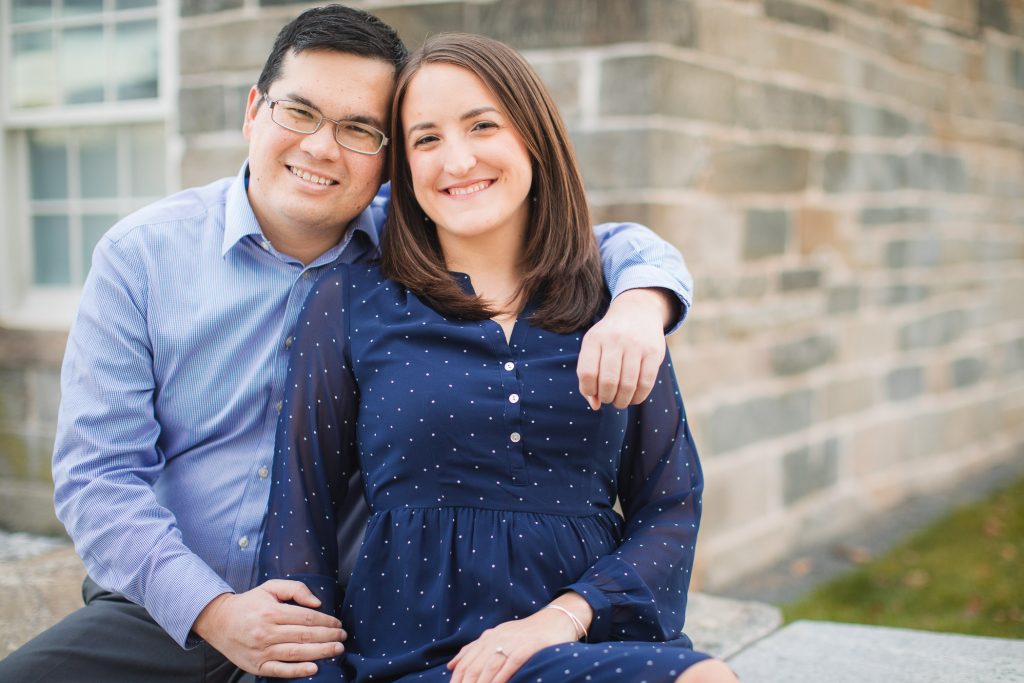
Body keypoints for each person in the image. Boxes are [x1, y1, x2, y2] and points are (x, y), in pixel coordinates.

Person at [0, 6, 696, 683]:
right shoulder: (142, 256)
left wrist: (643, 299)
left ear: (385, 160)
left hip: (344, 614)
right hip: (175, 606)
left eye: (360, 129)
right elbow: (98, 480)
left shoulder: (411, 225)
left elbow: (574, 238)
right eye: (297, 112)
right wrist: (215, 611)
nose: (322, 147)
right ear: (253, 110)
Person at [258, 32, 736, 683]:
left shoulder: (617, 304)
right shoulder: (345, 300)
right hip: (415, 657)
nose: (457, 161)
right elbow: (299, 521)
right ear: (403, 168)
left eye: (482, 126)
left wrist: (555, 622)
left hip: (589, 640)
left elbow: (671, 503)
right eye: (426, 139)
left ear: (533, 138)